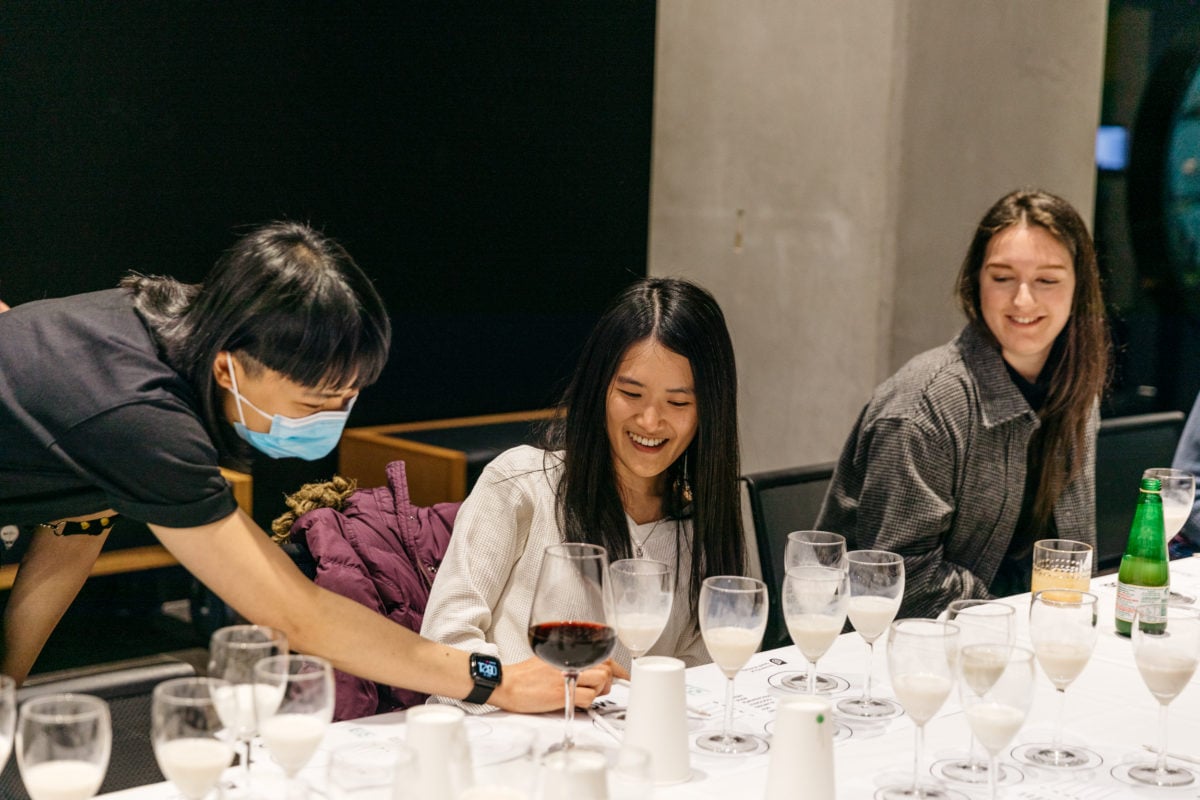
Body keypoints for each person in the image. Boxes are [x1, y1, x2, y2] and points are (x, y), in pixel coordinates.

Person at [0, 222, 610, 712]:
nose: (331, 419)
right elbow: (298, 615)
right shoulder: (144, 419)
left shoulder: (179, 328)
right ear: (228, 368)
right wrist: (493, 679)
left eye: (347, 400)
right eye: (313, 404)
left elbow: (76, 527)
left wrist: (7, 685)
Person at [420, 277, 746, 710]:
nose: (650, 421)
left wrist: (632, 690)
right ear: (599, 390)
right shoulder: (521, 484)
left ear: (710, 410)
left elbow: (701, 675)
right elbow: (443, 647)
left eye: (678, 403)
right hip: (495, 748)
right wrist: (511, 684)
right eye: (631, 393)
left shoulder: (699, 523)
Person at [816, 189, 1110, 618]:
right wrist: (1014, 623)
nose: (1023, 300)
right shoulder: (924, 405)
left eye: (1047, 280)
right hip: (891, 649)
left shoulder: (1077, 390)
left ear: (1079, 287)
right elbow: (899, 581)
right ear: (976, 282)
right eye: (1002, 277)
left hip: (1025, 636)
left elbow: (1070, 558)